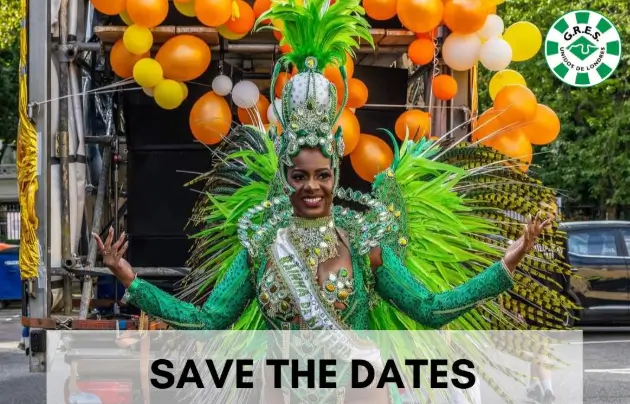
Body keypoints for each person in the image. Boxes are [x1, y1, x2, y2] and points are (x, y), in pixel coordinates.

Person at [93, 1, 574, 402]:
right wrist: (130, 279)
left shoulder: (365, 236)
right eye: (299, 175)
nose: (311, 186)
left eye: (322, 175)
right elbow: (209, 318)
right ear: (284, 174)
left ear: (335, 173)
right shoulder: (261, 239)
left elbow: (428, 307)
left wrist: (504, 266)